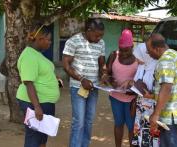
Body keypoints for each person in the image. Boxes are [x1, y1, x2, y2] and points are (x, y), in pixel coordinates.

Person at [62, 18, 105, 147]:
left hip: (94, 87)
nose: (99, 38)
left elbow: (101, 62)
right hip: (78, 87)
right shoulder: (73, 41)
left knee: (89, 121)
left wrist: (104, 74)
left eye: (101, 35)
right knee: (79, 121)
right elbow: (66, 65)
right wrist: (81, 79)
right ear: (88, 30)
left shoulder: (101, 43)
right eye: (97, 35)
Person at [16, 23, 61, 147]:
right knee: (34, 138)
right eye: (49, 40)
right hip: (35, 102)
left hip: (44, 102)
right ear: (41, 38)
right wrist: (37, 107)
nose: (50, 43)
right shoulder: (29, 55)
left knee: (41, 137)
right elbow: (28, 82)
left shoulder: (36, 54)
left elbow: (40, 74)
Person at [105, 29, 138, 147]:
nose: (123, 53)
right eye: (122, 50)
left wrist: (132, 83)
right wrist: (110, 80)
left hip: (131, 100)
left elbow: (142, 80)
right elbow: (107, 73)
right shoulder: (114, 55)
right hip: (116, 97)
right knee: (118, 124)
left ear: (132, 47)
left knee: (131, 127)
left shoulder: (138, 60)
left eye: (127, 50)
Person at [131, 42, 158, 147]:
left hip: (153, 110)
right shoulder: (142, 67)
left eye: (138, 57)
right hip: (141, 108)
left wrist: (150, 96)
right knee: (140, 137)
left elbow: (162, 91)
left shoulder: (156, 68)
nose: (136, 60)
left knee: (150, 137)